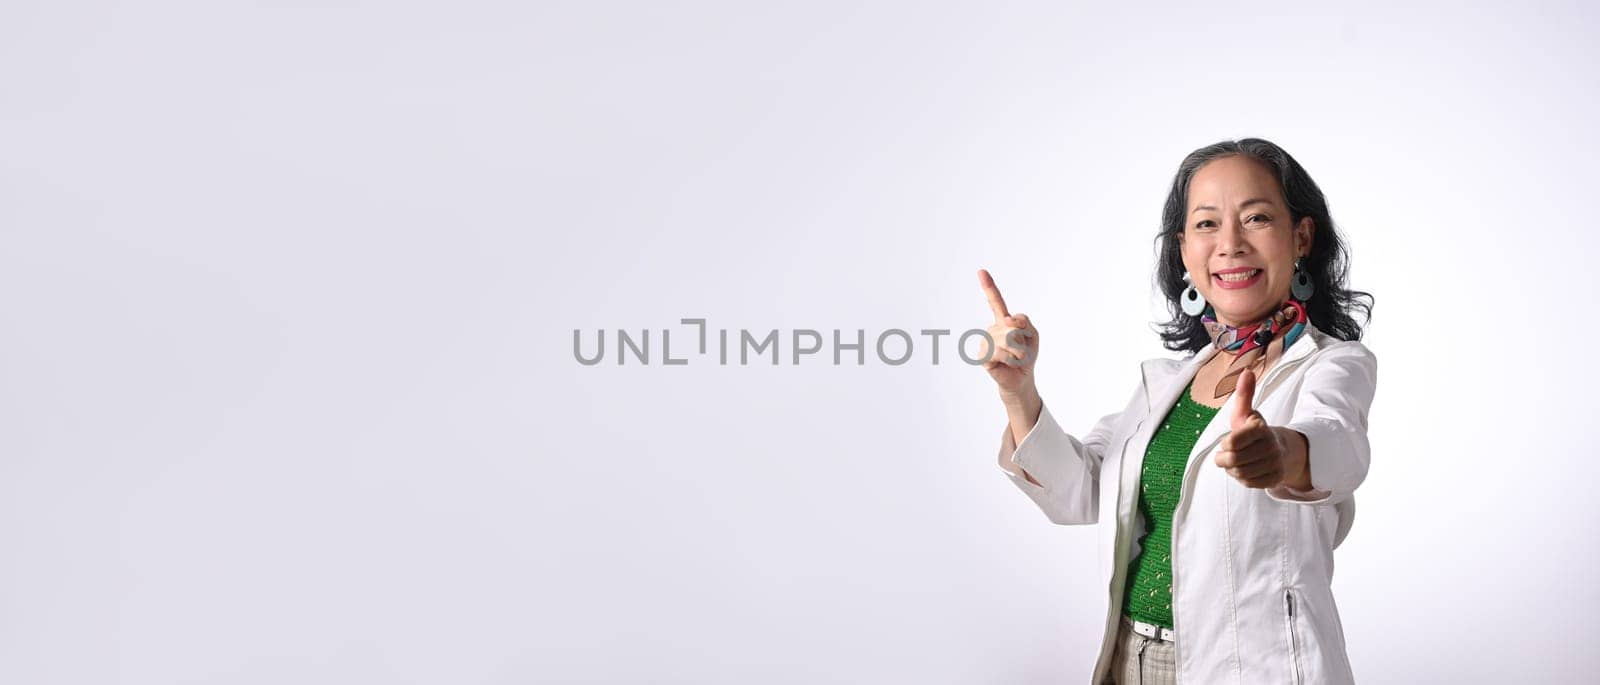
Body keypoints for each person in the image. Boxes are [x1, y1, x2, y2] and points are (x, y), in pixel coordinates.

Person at [978, 138, 1377, 684]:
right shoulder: (1165, 383)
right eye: (1207, 224)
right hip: (1129, 658)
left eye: (1256, 218)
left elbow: (1337, 444)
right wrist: (1017, 392)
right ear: (1184, 249)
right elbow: (1081, 493)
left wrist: (1279, 452)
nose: (1231, 244)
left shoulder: (1333, 365)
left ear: (1300, 236)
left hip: (1251, 669)